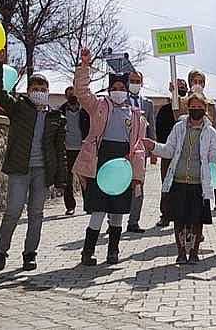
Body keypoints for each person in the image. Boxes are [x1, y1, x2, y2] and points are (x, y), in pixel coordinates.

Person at [0, 50, 68, 272]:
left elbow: (60, 151)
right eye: (35, 89)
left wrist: (62, 179)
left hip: (42, 172)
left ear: (48, 92)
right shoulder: (19, 108)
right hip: (20, 169)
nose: (39, 92)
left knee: (36, 214)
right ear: (28, 91)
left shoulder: (56, 118)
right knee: (12, 211)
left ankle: (30, 255)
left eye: (43, 89)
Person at [142, 92, 216, 264]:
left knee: (196, 219)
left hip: (198, 182)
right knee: (178, 218)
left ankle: (194, 252)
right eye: (192, 107)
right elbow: (169, 150)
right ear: (188, 108)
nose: (196, 110)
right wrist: (154, 147)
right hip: (178, 180)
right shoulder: (178, 128)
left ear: (205, 109)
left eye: (199, 108)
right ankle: (180, 253)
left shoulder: (210, 132)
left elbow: (212, 155)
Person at [74, 48, 147, 266]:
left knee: (117, 213)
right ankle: (88, 252)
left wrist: (138, 177)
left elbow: (138, 147)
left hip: (122, 167)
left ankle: (113, 251)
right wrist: (85, 67)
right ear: (109, 89)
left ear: (127, 91)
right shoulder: (98, 105)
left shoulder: (136, 115)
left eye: (121, 88)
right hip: (100, 162)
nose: (118, 91)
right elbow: (81, 91)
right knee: (98, 210)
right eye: (114, 88)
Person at [155, 79, 188, 227]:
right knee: (167, 184)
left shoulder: (190, 109)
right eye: (177, 88)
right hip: (169, 153)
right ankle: (166, 215)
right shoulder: (164, 110)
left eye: (182, 88)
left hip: (187, 154)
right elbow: (160, 132)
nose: (180, 91)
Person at [126, 70, 155, 234]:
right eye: (132, 80)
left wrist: (153, 151)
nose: (135, 83)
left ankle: (133, 221)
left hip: (140, 152)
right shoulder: (120, 101)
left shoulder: (148, 103)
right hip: (122, 150)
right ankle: (112, 221)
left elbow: (152, 127)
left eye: (138, 80)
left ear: (142, 83)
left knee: (138, 186)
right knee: (119, 186)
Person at [59, 86, 90, 216]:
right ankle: (70, 206)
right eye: (69, 95)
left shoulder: (85, 111)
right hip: (67, 148)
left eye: (74, 94)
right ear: (66, 97)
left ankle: (89, 205)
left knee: (85, 178)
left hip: (82, 148)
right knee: (68, 180)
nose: (72, 97)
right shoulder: (60, 111)